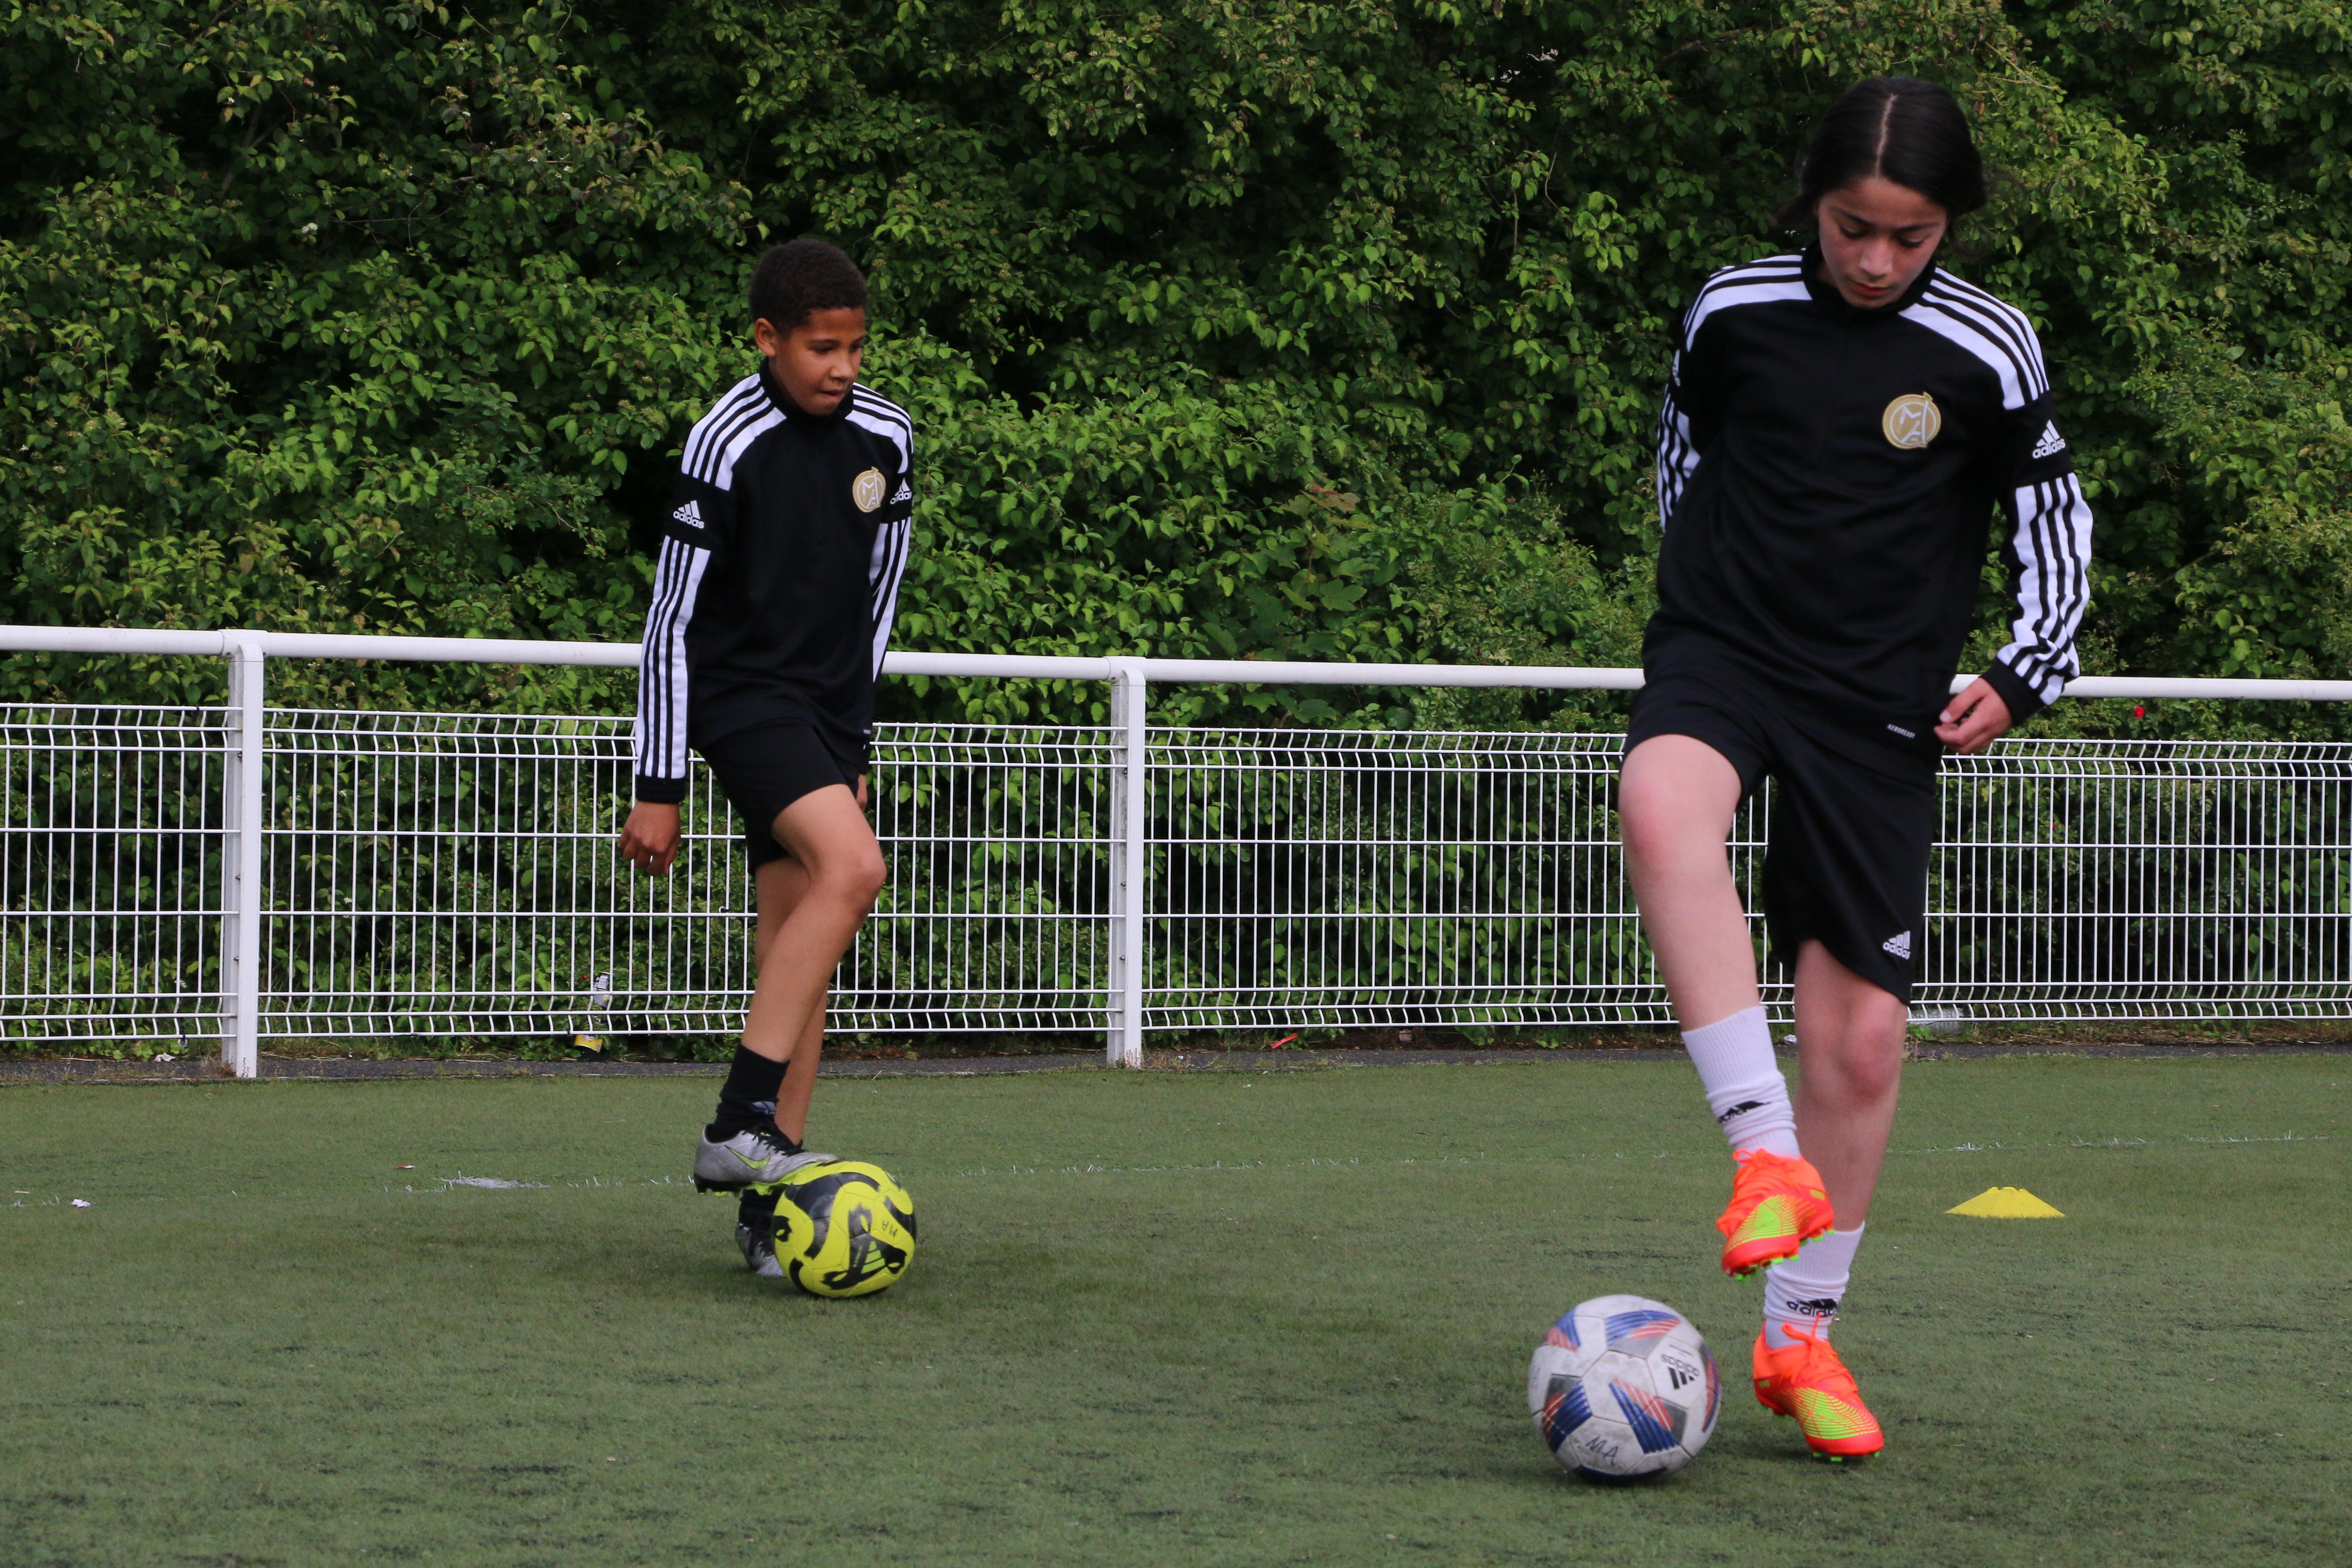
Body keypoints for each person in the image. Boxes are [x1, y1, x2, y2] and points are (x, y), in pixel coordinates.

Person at [1621, 77, 2092, 1458]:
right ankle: (1764, 1158)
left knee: (1865, 1041)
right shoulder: (1733, 309)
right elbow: (1683, 455)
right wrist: (1696, 595)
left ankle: (1798, 1342)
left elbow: (2053, 522)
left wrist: (2022, 672)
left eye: (1911, 235)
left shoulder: (1989, 348)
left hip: (1878, 701)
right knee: (1660, 801)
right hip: (1726, 652)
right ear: (1813, 205)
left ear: (1948, 227)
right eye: (1852, 228)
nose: (1877, 259)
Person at [616, 238, 915, 1278]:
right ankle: (738, 1120)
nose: (843, 368)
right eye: (822, 349)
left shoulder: (888, 437)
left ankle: (772, 1208)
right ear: (767, 340)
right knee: (858, 871)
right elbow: (669, 625)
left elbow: (874, 609)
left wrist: (853, 744)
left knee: (805, 950)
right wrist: (660, 784)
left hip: (826, 716)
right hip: (741, 703)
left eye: (856, 348)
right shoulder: (724, 441)